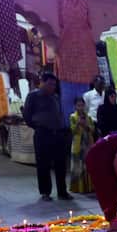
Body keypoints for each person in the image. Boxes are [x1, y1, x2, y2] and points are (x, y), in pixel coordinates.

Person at [23, 72, 73, 202]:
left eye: (54, 85)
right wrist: (38, 126)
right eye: (50, 84)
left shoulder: (55, 97)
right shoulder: (33, 96)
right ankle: (45, 192)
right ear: (42, 82)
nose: (52, 87)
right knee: (43, 164)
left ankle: (62, 191)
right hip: (42, 133)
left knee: (60, 164)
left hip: (57, 134)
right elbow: (27, 115)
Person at [68, 97, 94, 194]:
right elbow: (72, 131)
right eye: (78, 105)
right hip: (78, 144)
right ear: (75, 106)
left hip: (88, 144)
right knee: (77, 167)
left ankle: (89, 187)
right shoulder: (72, 117)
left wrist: (86, 125)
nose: (80, 107)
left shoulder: (89, 117)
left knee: (88, 166)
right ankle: (78, 188)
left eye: (82, 105)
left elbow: (93, 129)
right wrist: (78, 123)